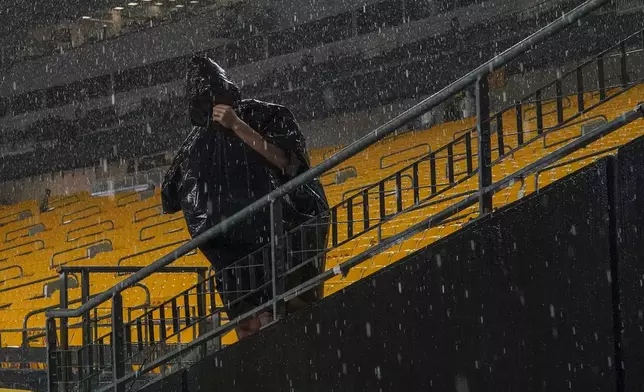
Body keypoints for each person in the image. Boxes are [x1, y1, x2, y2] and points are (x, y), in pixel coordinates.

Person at [161, 56, 329, 339]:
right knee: (249, 324)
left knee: (282, 319)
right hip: (233, 253)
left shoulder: (260, 116)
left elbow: (285, 160)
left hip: (277, 239)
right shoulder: (196, 142)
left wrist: (237, 125)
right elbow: (171, 195)